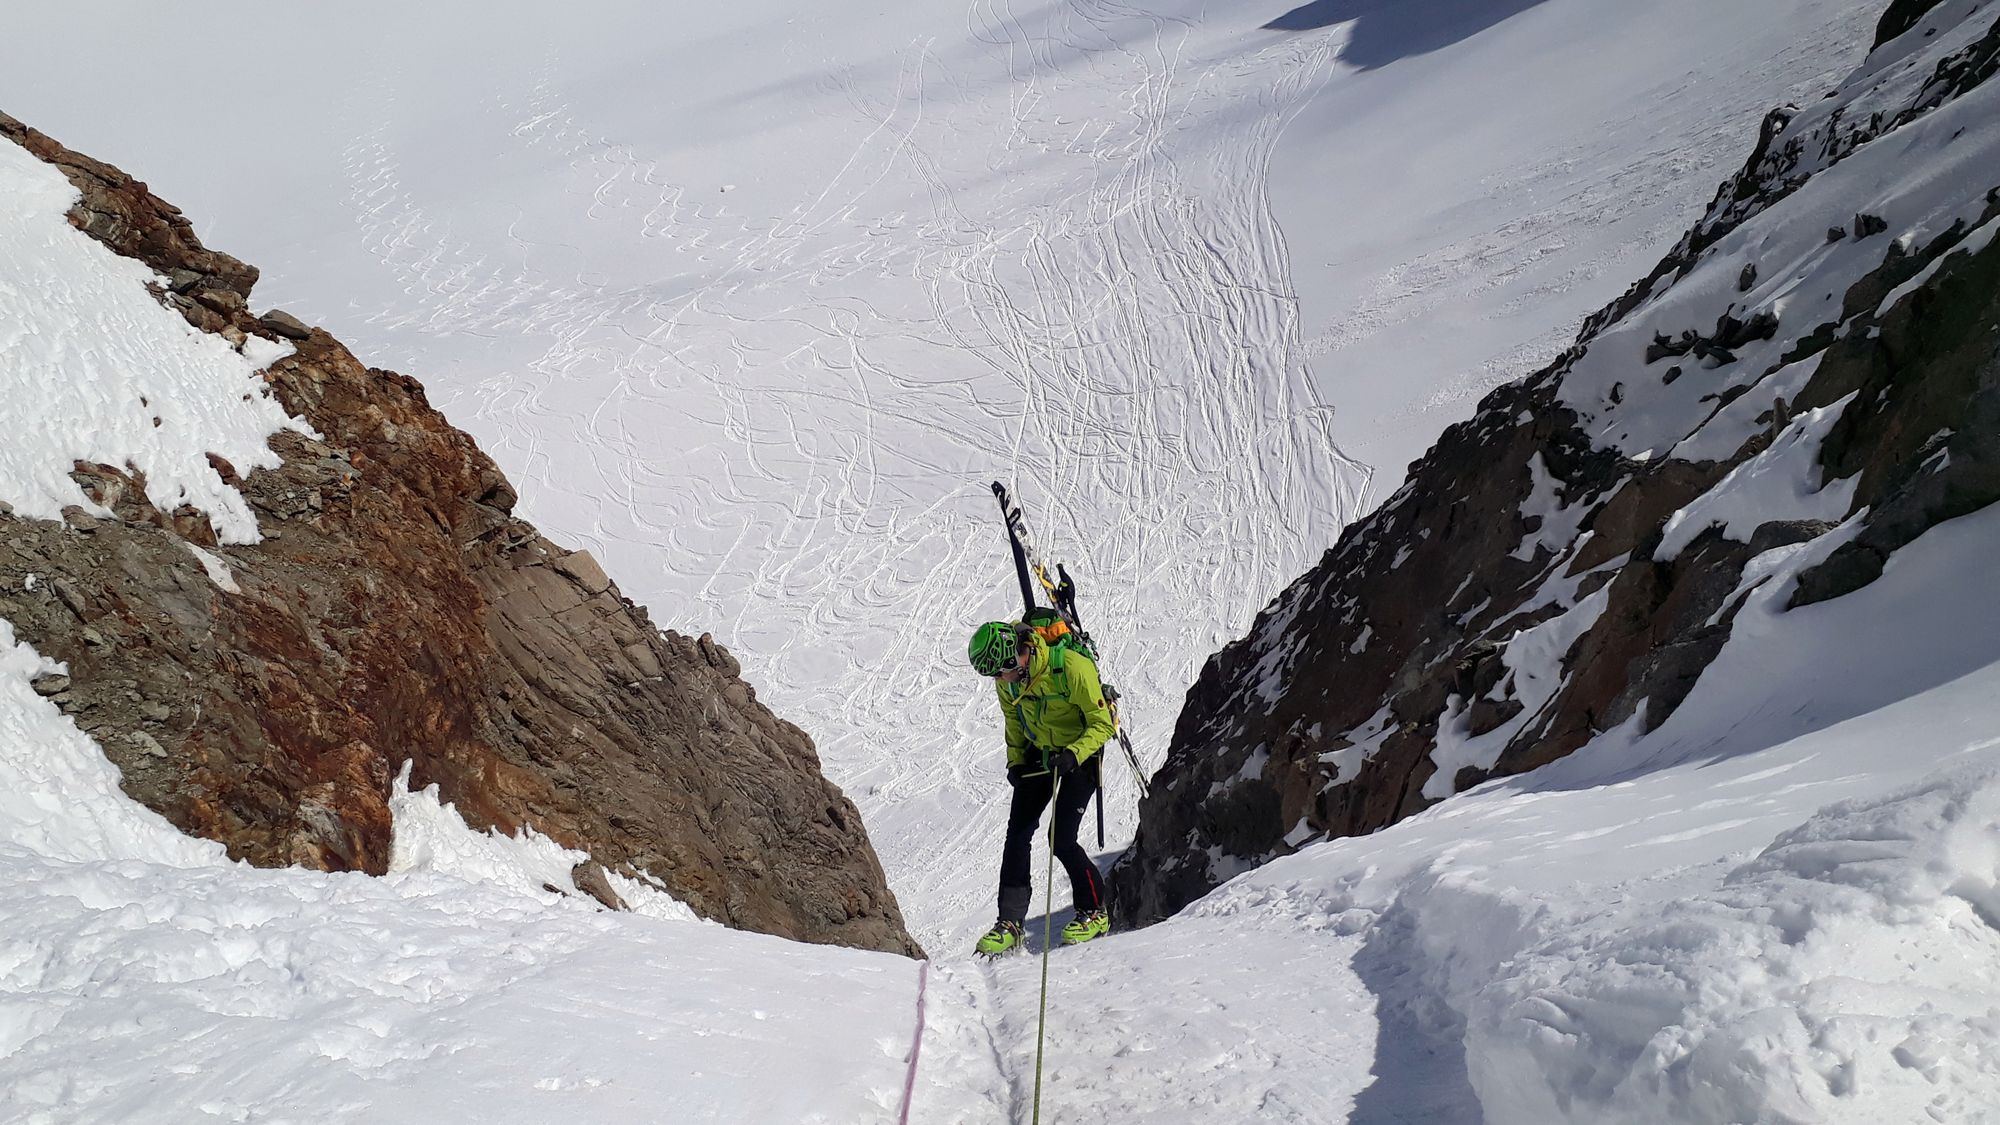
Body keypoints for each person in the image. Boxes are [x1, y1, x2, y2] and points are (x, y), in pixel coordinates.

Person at [966, 620, 1116, 954]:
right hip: (1040, 752)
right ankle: (1010, 922)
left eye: (998, 673)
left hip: (1081, 753)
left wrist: (1074, 755)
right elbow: (1014, 722)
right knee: (1017, 834)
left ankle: (1095, 911)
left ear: (1013, 659)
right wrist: (1016, 761)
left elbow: (1102, 723)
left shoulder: (1071, 669)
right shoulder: (1007, 682)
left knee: (1060, 839)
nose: (997, 681)